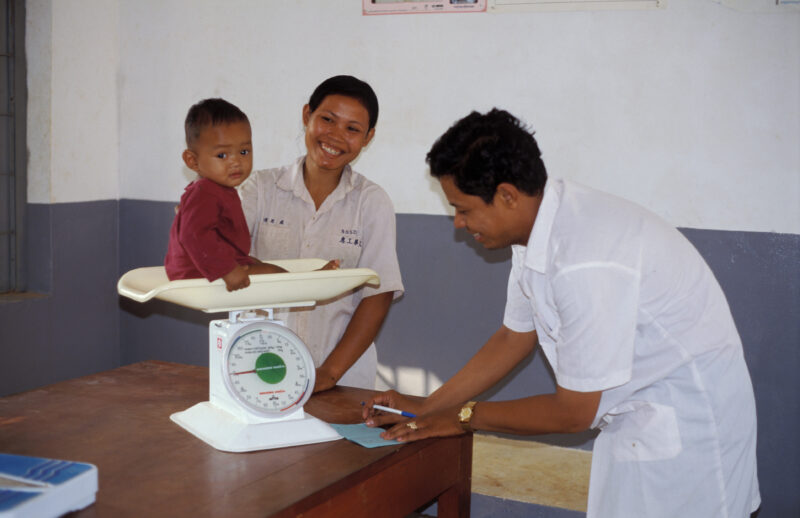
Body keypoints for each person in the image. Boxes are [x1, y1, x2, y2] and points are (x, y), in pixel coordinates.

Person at [363, 109, 760, 518]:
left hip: (688, 444)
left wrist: (463, 418)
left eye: (463, 209)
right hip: (642, 429)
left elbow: (573, 413)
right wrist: (428, 407)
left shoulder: (584, 258)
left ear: (507, 196)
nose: (459, 224)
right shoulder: (538, 229)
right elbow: (514, 336)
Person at [240, 76, 404, 393]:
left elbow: (378, 295)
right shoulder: (258, 189)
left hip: (344, 377)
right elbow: (228, 259)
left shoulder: (372, 202)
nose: (335, 136)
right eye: (327, 120)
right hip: (259, 367)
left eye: (352, 129)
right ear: (307, 116)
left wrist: (328, 374)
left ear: (368, 137)